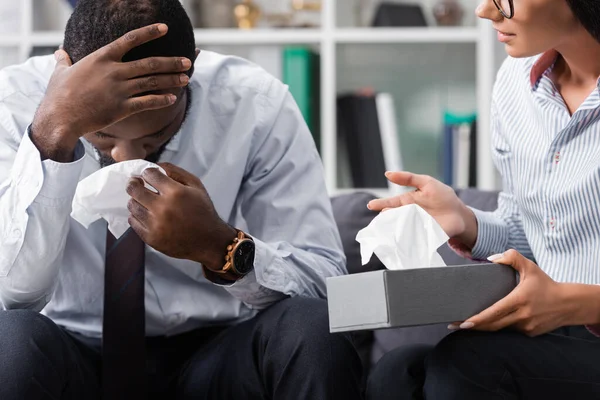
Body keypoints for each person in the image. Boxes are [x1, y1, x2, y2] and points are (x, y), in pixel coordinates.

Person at [0, 1, 363, 399]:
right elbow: (13, 295)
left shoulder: (255, 104)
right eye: (102, 136)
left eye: (154, 137)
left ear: (188, 72)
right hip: (67, 353)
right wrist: (53, 134)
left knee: (311, 327)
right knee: (10, 338)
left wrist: (222, 247)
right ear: (63, 69)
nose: (126, 157)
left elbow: (326, 289)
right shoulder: (14, 105)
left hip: (213, 353)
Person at [366, 0, 600, 398]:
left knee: (468, 364)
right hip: (554, 334)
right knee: (397, 373)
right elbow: (532, 234)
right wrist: (464, 221)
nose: (485, 11)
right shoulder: (515, 80)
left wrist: (578, 303)